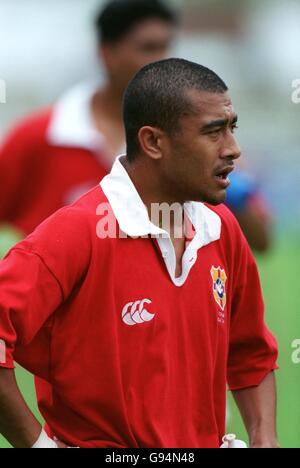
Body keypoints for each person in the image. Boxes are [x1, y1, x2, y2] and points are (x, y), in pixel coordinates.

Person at [0, 59, 279, 448]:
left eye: (232, 128)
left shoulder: (222, 228)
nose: (233, 149)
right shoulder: (76, 232)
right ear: (152, 142)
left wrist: (265, 439)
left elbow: (250, 353)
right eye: (213, 132)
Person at [0, 0, 177, 238]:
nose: (161, 62)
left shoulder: (180, 143)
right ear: (107, 53)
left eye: (165, 48)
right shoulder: (39, 136)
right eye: (148, 48)